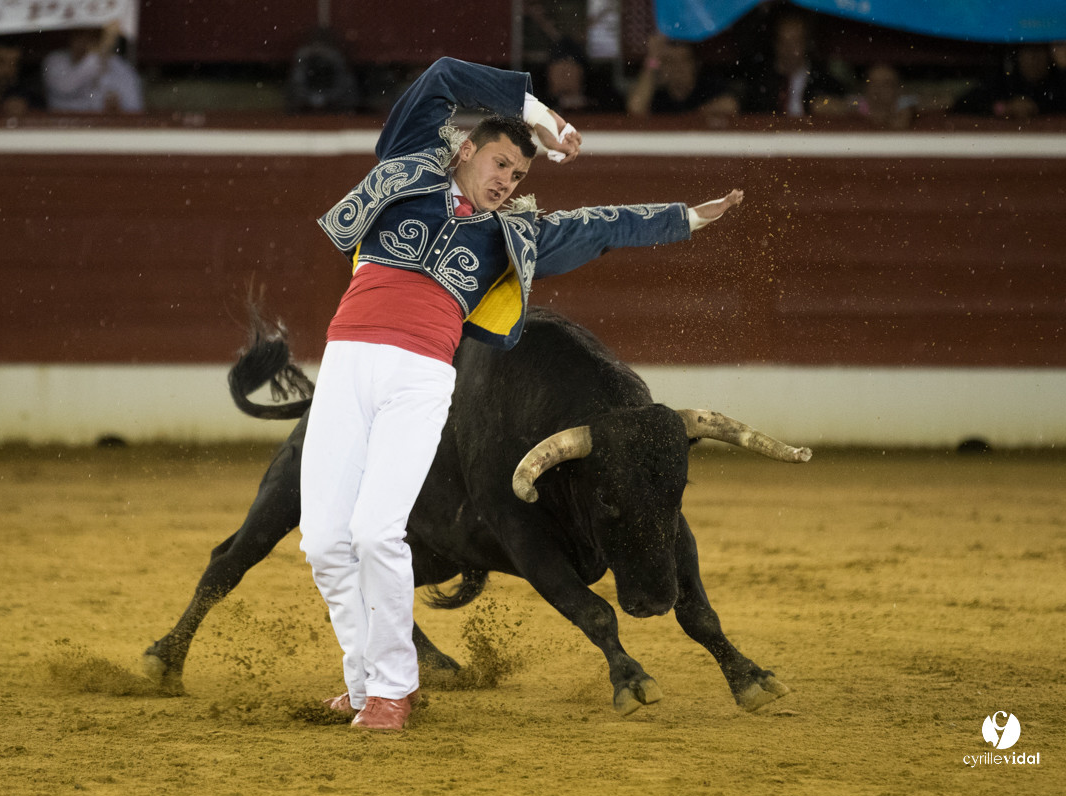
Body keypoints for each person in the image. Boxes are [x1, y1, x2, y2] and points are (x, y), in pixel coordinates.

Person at [302, 56, 743, 732]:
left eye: (519, 176)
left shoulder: (513, 237)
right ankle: (363, 684)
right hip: (346, 360)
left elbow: (601, 228)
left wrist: (684, 218)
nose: (507, 182)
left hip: (421, 376)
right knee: (326, 542)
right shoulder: (407, 170)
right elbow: (441, 76)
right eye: (501, 164)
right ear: (467, 150)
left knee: (375, 531)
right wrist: (540, 115)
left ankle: (393, 691)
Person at [739, 12, 846, 116]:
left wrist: (839, 107)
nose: (789, 49)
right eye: (784, 42)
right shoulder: (759, 81)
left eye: (795, 42)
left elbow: (850, 103)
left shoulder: (823, 81)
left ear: (806, 44)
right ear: (775, 44)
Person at [625, 34, 738, 117]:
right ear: (662, 68)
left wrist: (686, 120)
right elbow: (635, 108)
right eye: (670, 62)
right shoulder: (658, 94)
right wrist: (652, 58)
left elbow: (729, 105)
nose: (678, 67)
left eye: (684, 60)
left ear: (694, 65)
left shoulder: (708, 87)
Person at [42, 22, 144, 113]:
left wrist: (118, 108)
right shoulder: (55, 60)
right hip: (63, 126)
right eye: (80, 35)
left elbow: (135, 107)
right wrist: (101, 50)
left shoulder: (119, 65)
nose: (85, 42)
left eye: (94, 36)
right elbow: (66, 87)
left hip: (104, 126)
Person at [952, 43, 1065, 119]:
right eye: (1028, 51)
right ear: (1018, 56)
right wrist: (1005, 107)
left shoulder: (1059, 82)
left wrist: (1037, 107)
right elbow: (965, 103)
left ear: (1050, 55)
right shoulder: (1005, 81)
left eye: (1039, 51)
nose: (1034, 58)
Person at [847, 62, 917, 129]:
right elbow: (844, 105)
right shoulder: (857, 103)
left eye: (886, 84)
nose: (879, 89)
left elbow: (917, 104)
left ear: (897, 88)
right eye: (873, 83)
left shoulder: (906, 104)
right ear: (866, 87)